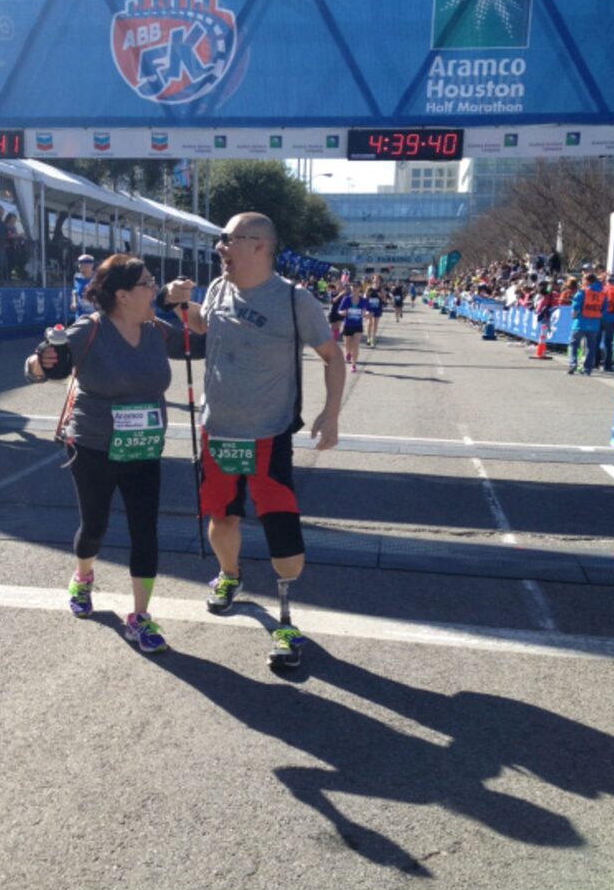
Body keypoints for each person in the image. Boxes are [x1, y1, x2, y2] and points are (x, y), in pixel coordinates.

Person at [160, 211, 345, 668]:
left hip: (268, 434)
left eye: (228, 239)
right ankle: (229, 575)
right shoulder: (220, 288)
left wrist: (331, 413)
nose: (220, 247)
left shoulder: (293, 299)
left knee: (283, 536)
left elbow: (332, 356)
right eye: (221, 239)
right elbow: (208, 327)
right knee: (222, 518)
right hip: (217, 431)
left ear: (259, 244)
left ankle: (285, 619)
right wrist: (182, 305)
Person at [25, 254, 203, 653]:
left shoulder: (157, 330)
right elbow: (41, 364)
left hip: (143, 447)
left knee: (145, 531)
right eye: (146, 283)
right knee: (95, 527)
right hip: (93, 446)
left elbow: (202, 344)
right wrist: (41, 363)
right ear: (122, 295)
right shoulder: (89, 330)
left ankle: (140, 617)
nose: (153, 288)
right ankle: (83, 576)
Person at [567, 272, 605, 376]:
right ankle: (587, 369)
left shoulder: (582, 292)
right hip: (594, 323)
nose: (582, 282)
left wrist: (574, 316)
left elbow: (576, 307)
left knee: (574, 344)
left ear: (587, 281)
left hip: (580, 322)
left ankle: (572, 364)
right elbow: (604, 308)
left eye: (584, 280)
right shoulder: (602, 293)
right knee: (591, 347)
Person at [338, 281, 366, 373]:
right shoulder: (346, 299)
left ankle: (354, 365)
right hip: (348, 325)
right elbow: (339, 310)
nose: (354, 288)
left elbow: (367, 311)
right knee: (347, 345)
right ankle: (348, 353)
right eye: (353, 286)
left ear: (360, 289)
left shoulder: (363, 300)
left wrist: (365, 314)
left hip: (358, 326)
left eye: (356, 286)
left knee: (356, 346)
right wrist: (343, 313)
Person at [71, 254, 95, 320]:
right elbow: (74, 291)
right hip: (80, 316)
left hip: (94, 317)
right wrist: (74, 302)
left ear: (92, 266)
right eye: (81, 267)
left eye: (86, 267)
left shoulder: (98, 279)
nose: (83, 269)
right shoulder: (77, 277)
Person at [365, 279, 384, 347]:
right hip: (369, 307)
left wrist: (380, 296)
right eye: (375, 281)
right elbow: (365, 297)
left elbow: (384, 299)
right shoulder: (369, 288)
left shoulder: (381, 289)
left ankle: (373, 338)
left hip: (377, 307)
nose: (376, 282)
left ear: (379, 282)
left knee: (375, 323)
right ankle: (368, 337)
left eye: (377, 281)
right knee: (369, 323)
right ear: (372, 281)